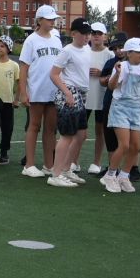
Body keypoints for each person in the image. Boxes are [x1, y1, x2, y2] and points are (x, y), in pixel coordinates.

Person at [46, 18, 94, 187]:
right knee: (67, 136)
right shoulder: (67, 51)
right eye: (84, 33)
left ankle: (66, 169)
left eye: (89, 33)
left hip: (81, 93)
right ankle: (56, 174)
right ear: (74, 34)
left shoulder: (87, 48)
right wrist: (67, 93)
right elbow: (54, 74)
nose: (87, 37)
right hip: (71, 93)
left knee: (81, 135)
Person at [102, 37, 140, 193]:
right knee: (124, 145)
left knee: (136, 147)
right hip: (120, 108)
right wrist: (117, 74)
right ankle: (110, 175)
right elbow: (111, 86)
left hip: (136, 109)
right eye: (139, 52)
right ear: (129, 53)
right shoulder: (122, 66)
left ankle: (124, 176)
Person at [19, 5, 63, 178]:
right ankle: (29, 165)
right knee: (34, 126)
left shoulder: (57, 40)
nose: (52, 22)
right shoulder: (31, 40)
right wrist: (23, 92)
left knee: (51, 129)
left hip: (53, 91)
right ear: (39, 20)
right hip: (36, 90)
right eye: (49, 19)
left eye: (53, 19)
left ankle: (48, 165)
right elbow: (23, 68)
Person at [84, 22, 113, 174]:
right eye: (93, 32)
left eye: (99, 33)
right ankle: (73, 162)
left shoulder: (110, 55)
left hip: (102, 98)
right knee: (79, 131)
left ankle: (96, 163)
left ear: (105, 36)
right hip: (84, 97)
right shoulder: (84, 51)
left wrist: (102, 73)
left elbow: (114, 75)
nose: (96, 35)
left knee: (100, 131)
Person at [0, 34, 20, 163]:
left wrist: (16, 99)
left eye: (2, 46)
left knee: (7, 128)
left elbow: (19, 82)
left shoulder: (14, 65)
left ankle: (4, 151)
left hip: (8, 101)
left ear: (8, 48)